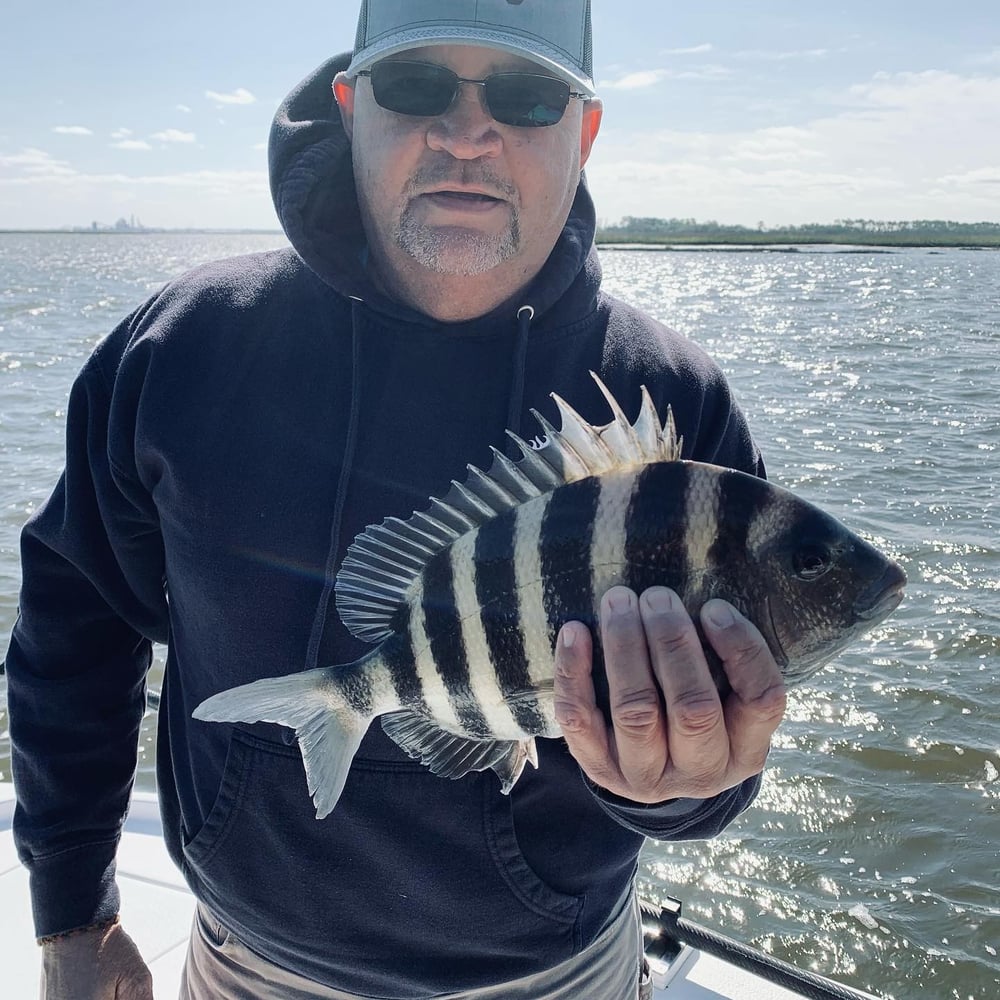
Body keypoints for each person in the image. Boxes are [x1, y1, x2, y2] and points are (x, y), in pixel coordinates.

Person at [5, 1, 787, 997]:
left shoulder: (669, 405)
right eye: (417, 87)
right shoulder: (180, 350)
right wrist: (72, 911)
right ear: (349, 106)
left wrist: (688, 786)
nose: (468, 133)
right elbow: (72, 635)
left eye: (525, 94)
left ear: (584, 132)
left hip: (560, 971)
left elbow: (709, 757)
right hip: (248, 964)